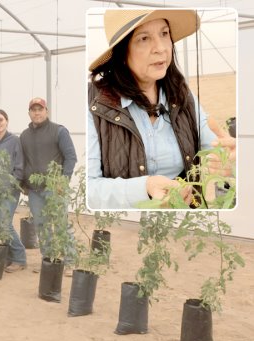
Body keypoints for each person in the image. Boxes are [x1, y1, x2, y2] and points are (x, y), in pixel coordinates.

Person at [87, 9, 236, 209]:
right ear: (122, 53)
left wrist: (229, 160)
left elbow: (215, 150)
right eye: (144, 38)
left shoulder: (182, 95)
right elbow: (89, 187)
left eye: (164, 34)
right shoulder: (95, 103)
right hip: (127, 225)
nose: (160, 48)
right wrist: (144, 188)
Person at [20, 97, 77, 271]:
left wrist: (63, 181)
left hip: (55, 188)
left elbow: (71, 157)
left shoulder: (59, 131)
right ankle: (49, 260)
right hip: (35, 191)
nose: (37, 113)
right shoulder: (25, 135)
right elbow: (23, 161)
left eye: (40, 109)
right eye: (33, 110)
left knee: (60, 223)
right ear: (29, 113)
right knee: (41, 225)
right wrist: (23, 183)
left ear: (47, 111)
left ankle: (70, 261)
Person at [0, 109, 27, 273]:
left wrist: (10, 185)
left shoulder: (15, 141)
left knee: (4, 224)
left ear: (6, 121)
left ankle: (19, 257)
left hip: (9, 191)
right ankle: (9, 257)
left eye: (0, 120)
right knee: (1, 226)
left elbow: (19, 167)